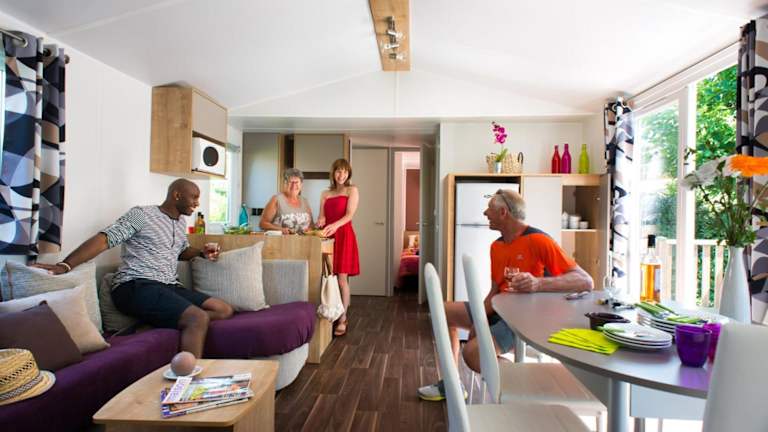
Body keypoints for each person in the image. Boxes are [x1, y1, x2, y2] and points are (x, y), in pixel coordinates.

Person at [418, 189, 593, 401]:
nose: (485, 213)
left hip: (524, 319)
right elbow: (495, 291)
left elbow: (585, 281)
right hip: (499, 309)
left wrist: (538, 283)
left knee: (472, 353)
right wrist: (479, 320)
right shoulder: (497, 246)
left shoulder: (539, 241)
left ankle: (523, 389)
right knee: (442, 312)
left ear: (503, 212)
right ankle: (451, 384)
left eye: (489, 209)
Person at [33, 179, 234, 358]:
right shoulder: (142, 215)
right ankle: (187, 379)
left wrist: (201, 253)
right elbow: (105, 239)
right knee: (197, 318)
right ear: (177, 195)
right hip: (135, 285)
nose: (197, 203)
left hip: (168, 286)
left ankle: (152, 324)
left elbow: (181, 251)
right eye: (194, 197)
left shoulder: (181, 222)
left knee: (223, 309)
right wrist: (65, 265)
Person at [317, 159, 360, 336]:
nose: (341, 175)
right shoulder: (325, 193)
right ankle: (330, 313)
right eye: (338, 171)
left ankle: (343, 318)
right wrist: (321, 221)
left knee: (342, 279)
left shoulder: (352, 190)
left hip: (344, 236)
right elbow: (322, 217)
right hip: (328, 237)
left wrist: (335, 226)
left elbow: (349, 215)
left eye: (344, 171)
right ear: (333, 173)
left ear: (348, 174)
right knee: (327, 277)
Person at [260, 168, 314, 234]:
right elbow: (262, 224)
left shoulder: (305, 201)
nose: (293, 185)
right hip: (280, 240)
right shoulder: (276, 200)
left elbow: (311, 225)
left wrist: (310, 229)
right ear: (285, 183)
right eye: (290, 182)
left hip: (303, 240)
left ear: (301, 184)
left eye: (297, 182)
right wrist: (280, 229)